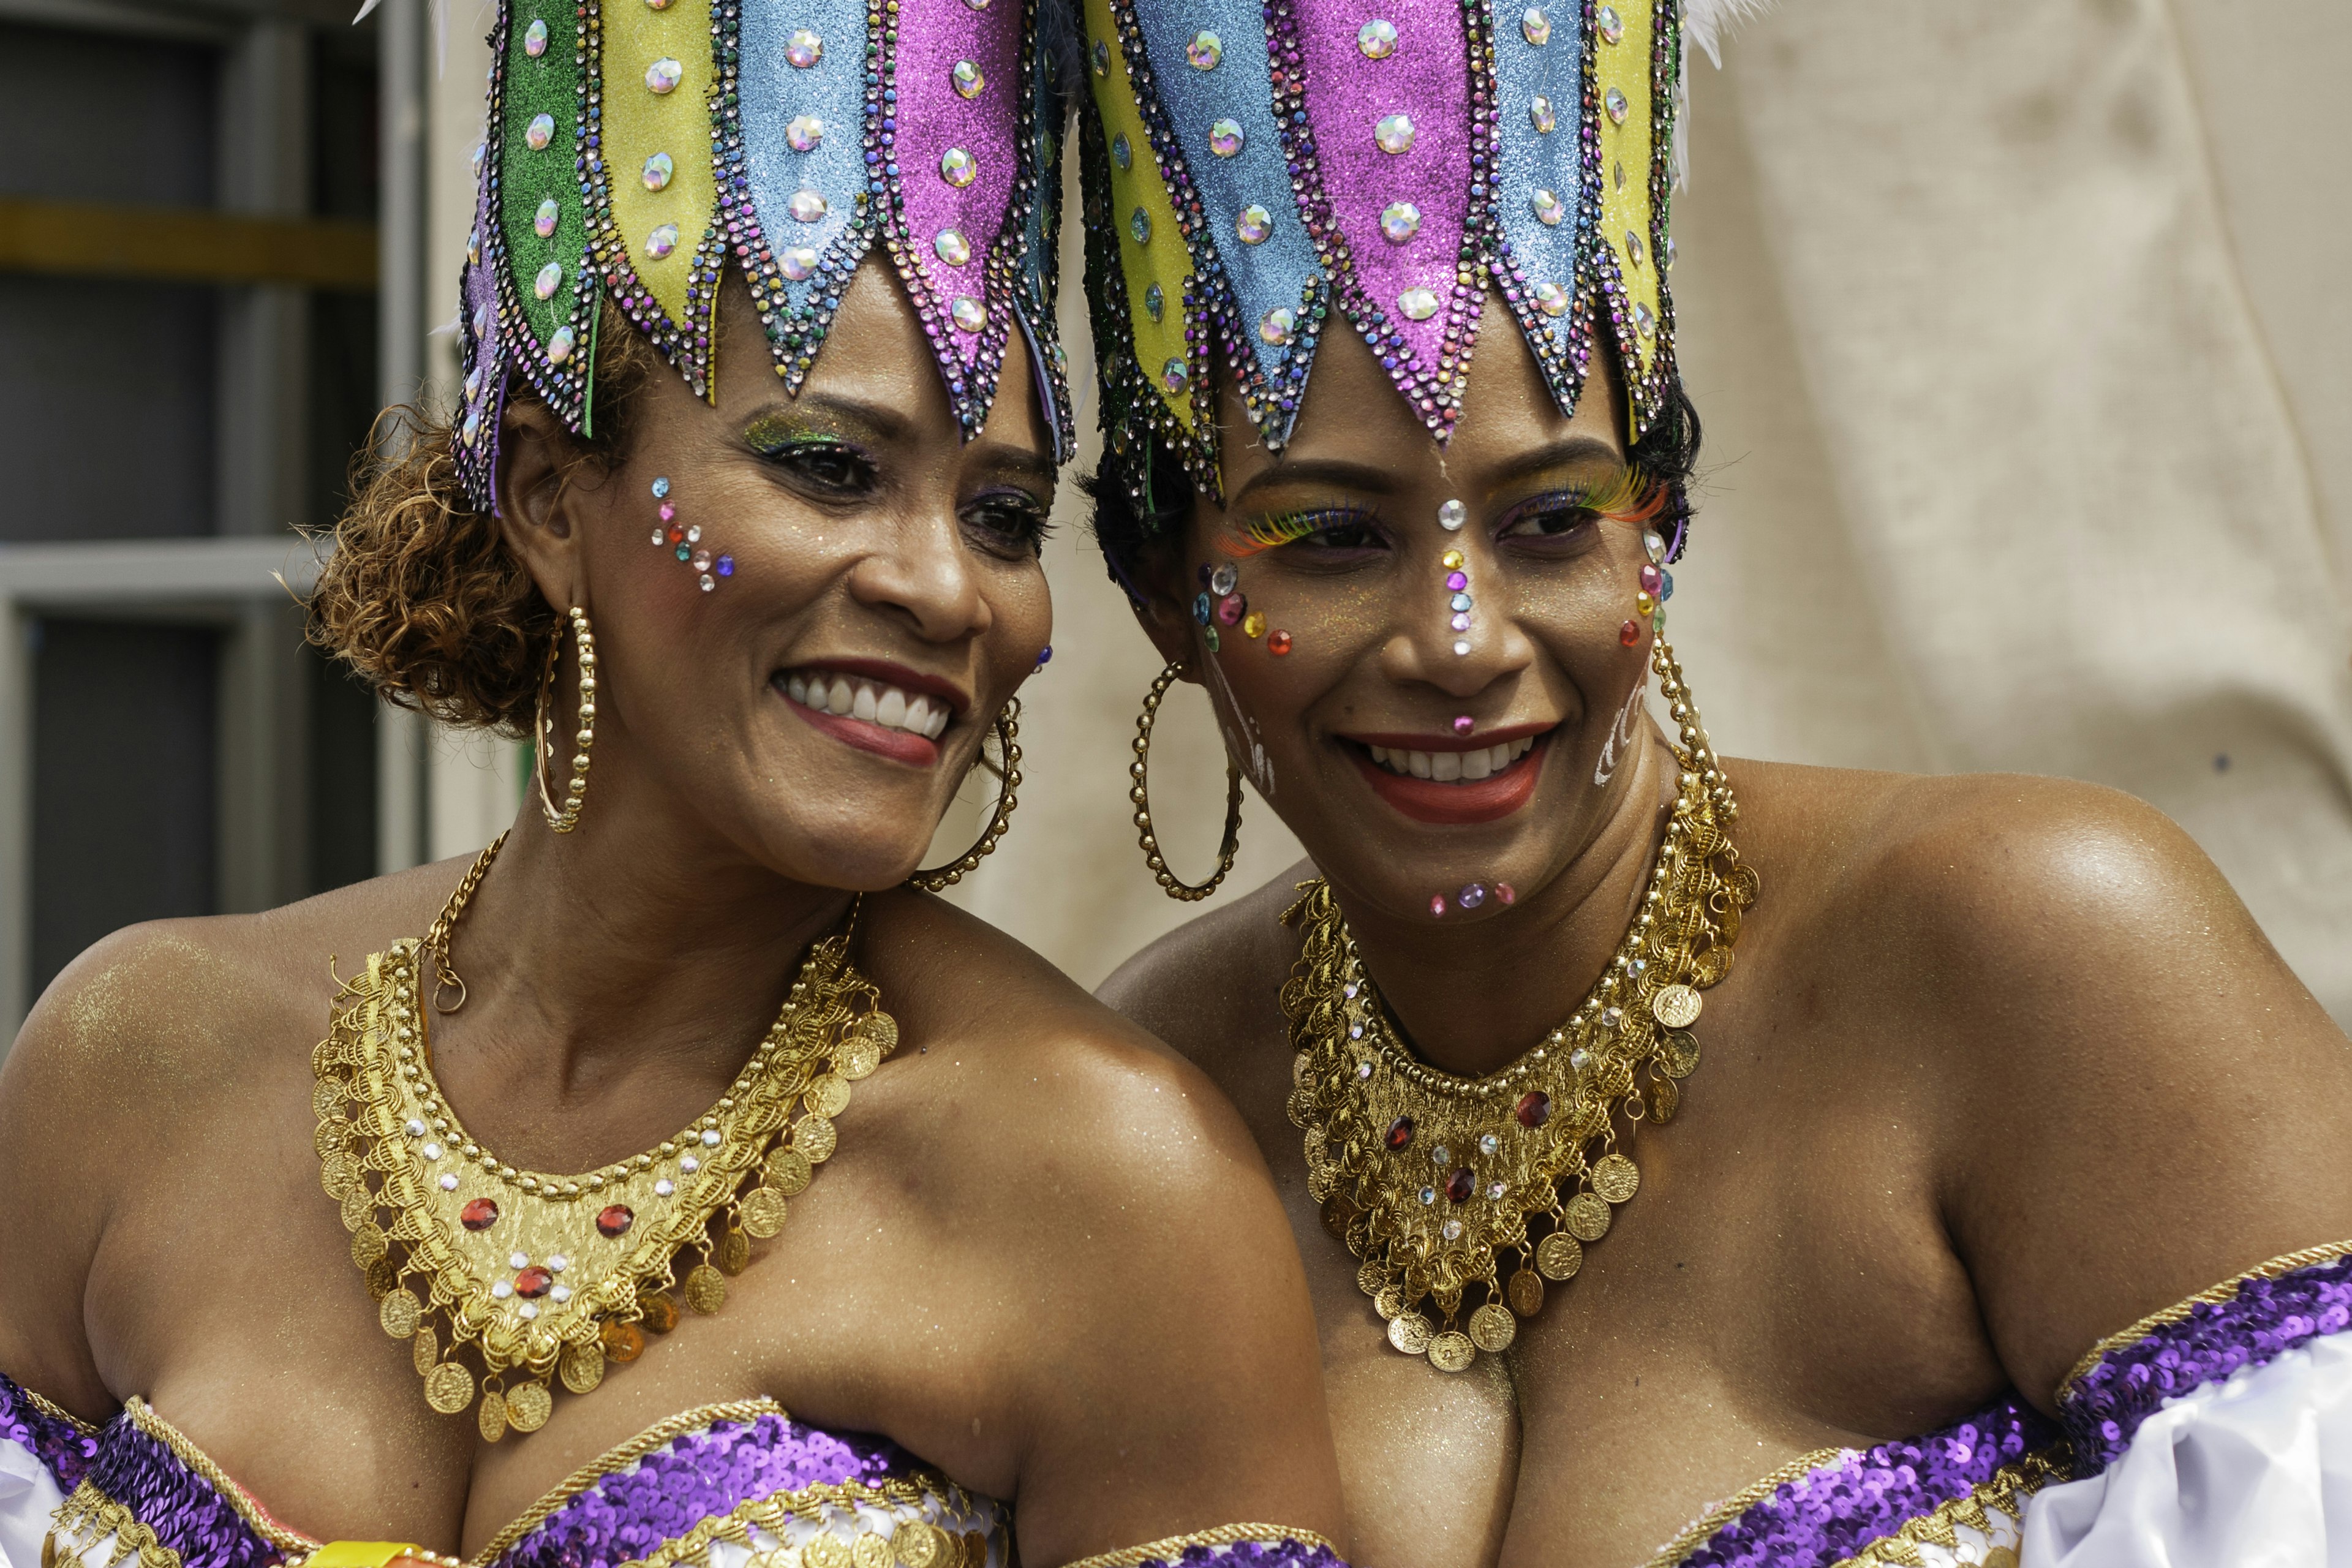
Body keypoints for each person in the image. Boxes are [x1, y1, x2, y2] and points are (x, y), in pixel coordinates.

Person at [0, 2, 1352, 1564]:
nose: (944, 587)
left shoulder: (1110, 1189)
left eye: (1000, 512)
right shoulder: (136, 1060)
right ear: (549, 494)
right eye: (829, 467)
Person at [1072, 0, 2352, 1561]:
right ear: (1161, 591)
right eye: (1333, 537)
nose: (1463, 644)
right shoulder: (1150, 1113)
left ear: (1656, 531)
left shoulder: (2037, 947)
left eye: (1553, 522)